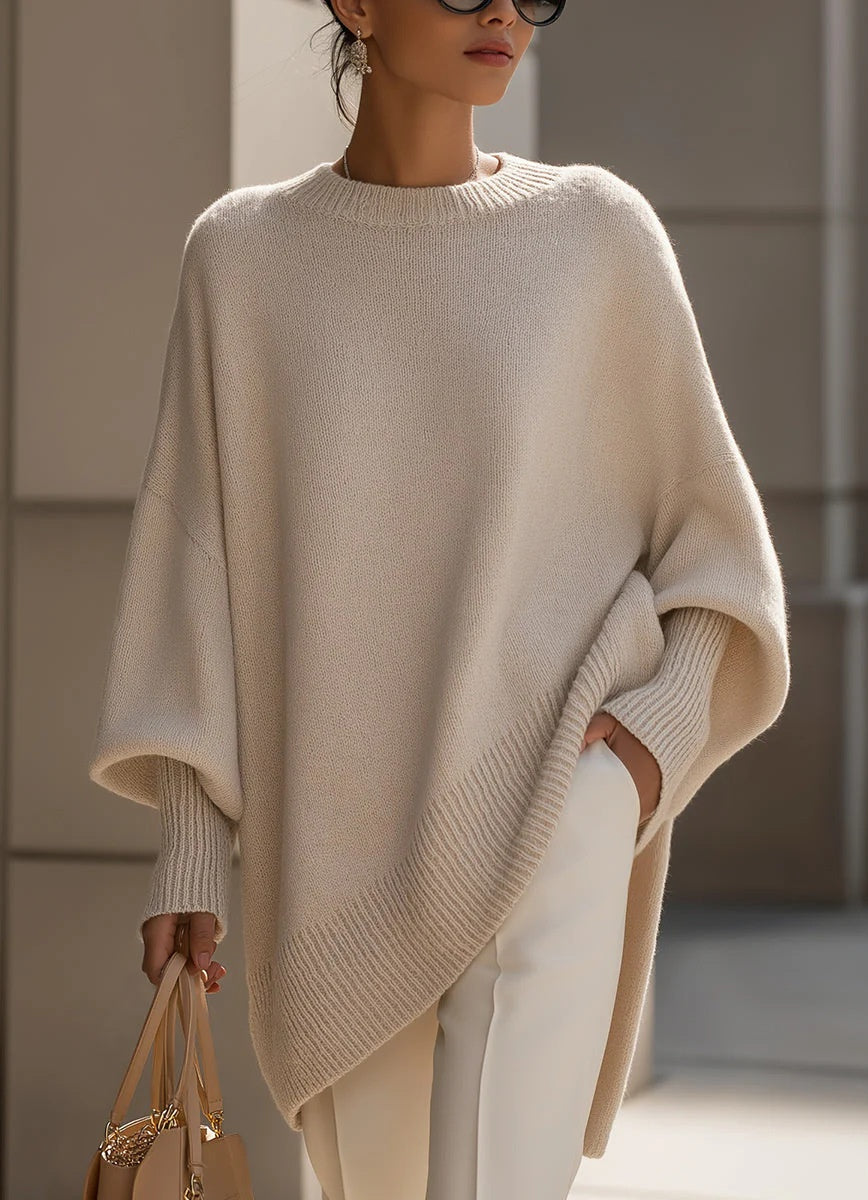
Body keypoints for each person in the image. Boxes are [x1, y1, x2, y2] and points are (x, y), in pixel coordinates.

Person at [87, 1, 791, 1197]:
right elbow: (197, 585)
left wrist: (641, 760)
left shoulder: (595, 235)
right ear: (357, 1)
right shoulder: (244, 257)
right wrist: (194, 858)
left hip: (559, 813)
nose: (506, 16)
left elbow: (716, 551)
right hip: (342, 863)